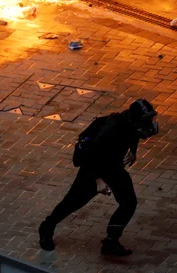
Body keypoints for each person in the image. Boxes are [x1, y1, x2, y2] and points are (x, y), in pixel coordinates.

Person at [38, 99, 159, 256]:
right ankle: (47, 227)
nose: (150, 122)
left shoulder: (131, 123)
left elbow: (134, 135)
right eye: (147, 119)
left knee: (129, 203)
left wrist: (133, 151)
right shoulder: (111, 129)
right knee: (73, 202)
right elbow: (91, 155)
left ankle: (111, 242)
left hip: (114, 167)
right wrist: (99, 181)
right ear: (137, 118)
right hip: (93, 168)